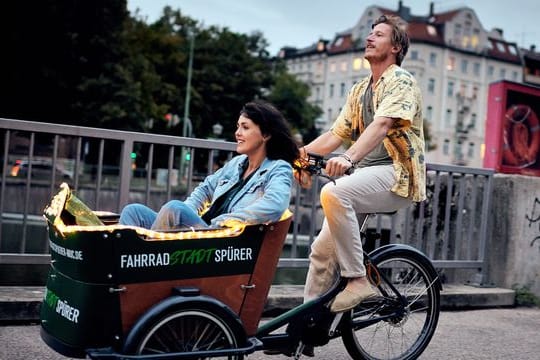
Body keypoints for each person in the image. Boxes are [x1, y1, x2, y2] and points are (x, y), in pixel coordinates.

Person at [300, 15, 426, 313]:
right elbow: (335, 133)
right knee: (321, 252)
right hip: (368, 176)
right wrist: (298, 156)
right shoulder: (359, 90)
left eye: (379, 35)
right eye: (370, 34)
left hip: (398, 175)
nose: (369, 38)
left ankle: (358, 280)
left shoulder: (401, 81)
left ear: (395, 47)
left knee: (334, 193)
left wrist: (346, 158)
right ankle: (303, 330)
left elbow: (382, 125)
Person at [119, 101, 299, 230]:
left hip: (222, 240)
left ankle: (144, 270)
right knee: (134, 211)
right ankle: (123, 268)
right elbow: (205, 189)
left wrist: (225, 221)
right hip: (205, 230)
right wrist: (186, 212)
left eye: (245, 127)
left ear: (265, 134)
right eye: (237, 126)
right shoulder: (237, 164)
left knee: (174, 208)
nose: (237, 133)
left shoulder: (278, 168)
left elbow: (276, 205)